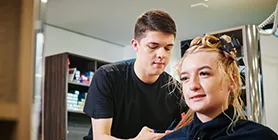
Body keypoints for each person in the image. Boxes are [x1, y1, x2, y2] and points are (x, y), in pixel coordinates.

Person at [83, 9, 186, 140]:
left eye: (168, 48)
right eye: (153, 46)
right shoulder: (107, 77)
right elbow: (100, 137)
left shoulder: (175, 89)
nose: (162, 54)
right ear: (135, 45)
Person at [161, 34, 278, 140]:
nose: (193, 85)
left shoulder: (260, 137)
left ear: (232, 81)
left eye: (204, 74)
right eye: (185, 78)